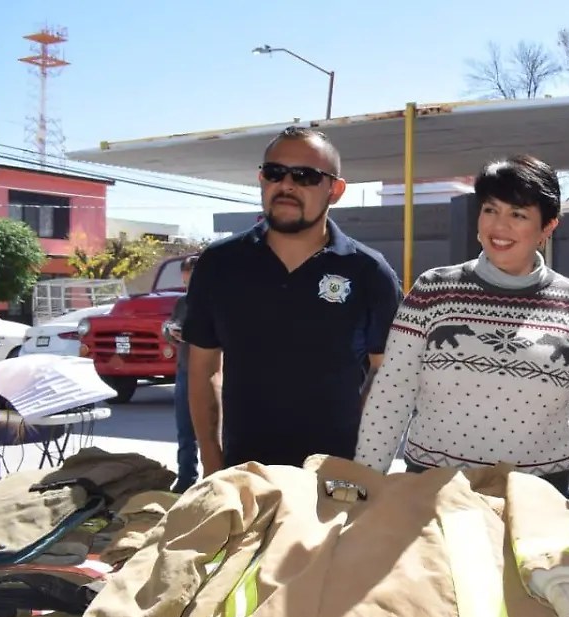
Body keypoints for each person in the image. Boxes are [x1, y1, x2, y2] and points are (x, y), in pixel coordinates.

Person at [354, 155, 569, 529]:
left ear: (547, 227)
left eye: (518, 214)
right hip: (432, 499)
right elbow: (392, 393)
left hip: (538, 504)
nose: (499, 225)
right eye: (491, 209)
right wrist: (365, 483)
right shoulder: (432, 291)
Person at [181, 126, 403, 475]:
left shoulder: (369, 272)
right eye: (275, 173)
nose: (287, 185)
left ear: (336, 190)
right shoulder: (219, 264)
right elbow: (204, 367)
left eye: (306, 176)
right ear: (261, 179)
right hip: (245, 477)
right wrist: (212, 465)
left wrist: (360, 464)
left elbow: (387, 372)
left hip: (334, 484)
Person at [164, 254, 199, 492]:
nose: (189, 287)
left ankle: (220, 477)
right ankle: (186, 478)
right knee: (185, 430)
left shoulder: (220, 299)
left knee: (217, 430)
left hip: (213, 372)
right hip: (185, 370)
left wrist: (192, 335)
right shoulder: (182, 302)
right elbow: (170, 326)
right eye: (186, 281)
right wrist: (170, 332)